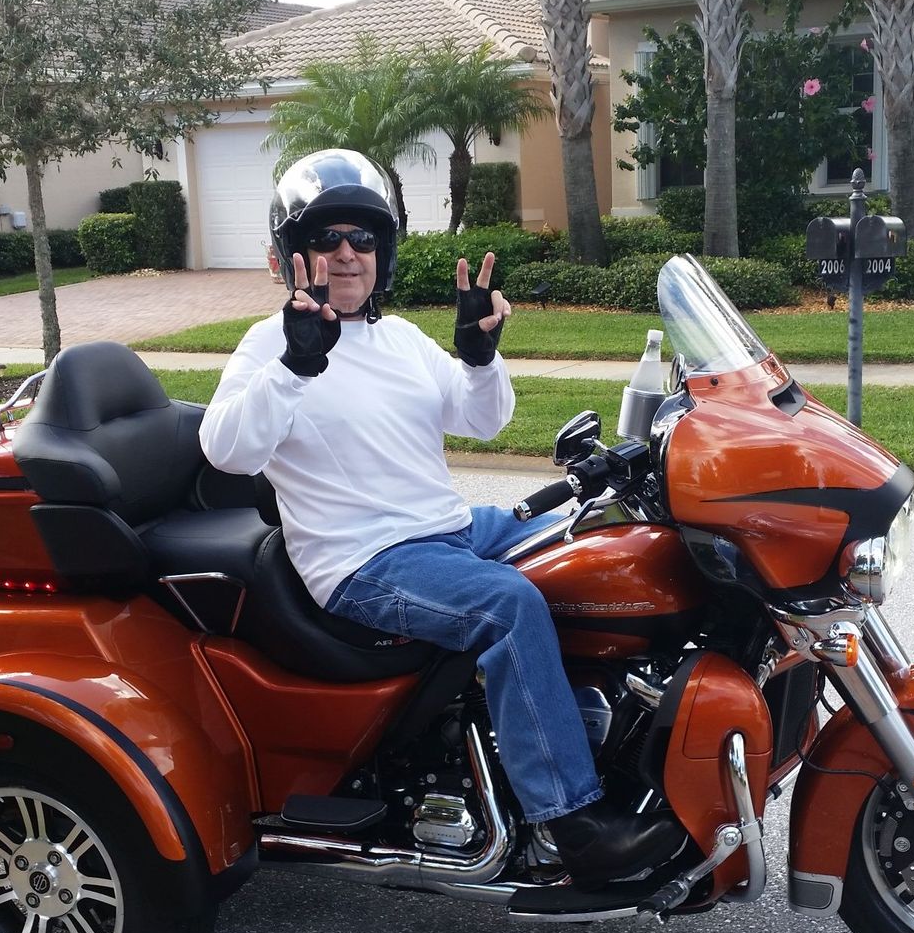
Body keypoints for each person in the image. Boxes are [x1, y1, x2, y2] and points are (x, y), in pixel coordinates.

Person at [200, 149, 682, 889]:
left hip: (452, 528)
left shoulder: (397, 338)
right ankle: (570, 818)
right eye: (327, 237)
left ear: (382, 253)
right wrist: (295, 366)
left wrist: (480, 357)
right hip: (365, 560)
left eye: (362, 237)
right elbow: (226, 450)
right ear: (293, 255)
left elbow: (483, 419)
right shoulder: (272, 345)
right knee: (509, 605)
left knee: (609, 538)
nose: (347, 253)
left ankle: (636, 743)